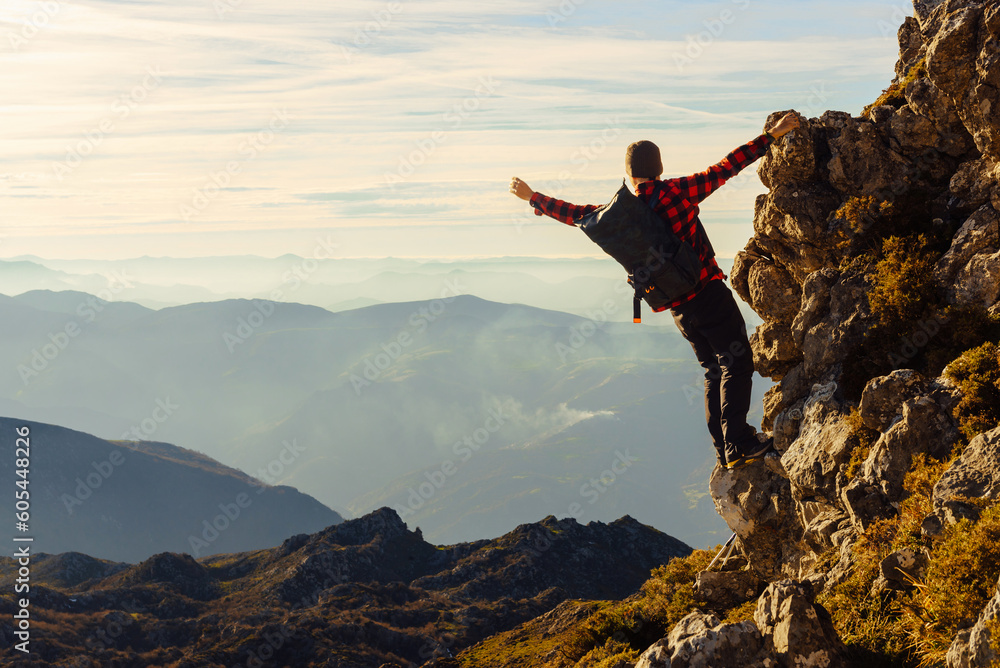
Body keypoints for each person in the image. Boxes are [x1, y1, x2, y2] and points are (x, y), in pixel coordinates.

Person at [509, 112, 801, 469]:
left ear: (629, 174)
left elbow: (574, 214)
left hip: (675, 306)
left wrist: (533, 198)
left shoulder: (617, 214)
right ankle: (738, 442)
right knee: (736, 363)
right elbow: (727, 167)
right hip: (707, 292)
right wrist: (772, 135)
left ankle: (724, 450)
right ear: (659, 169)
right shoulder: (677, 191)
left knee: (712, 369)